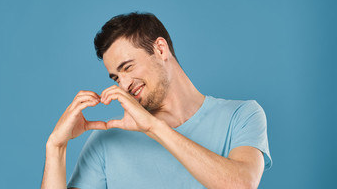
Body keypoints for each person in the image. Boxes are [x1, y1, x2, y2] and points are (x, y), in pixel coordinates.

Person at [41, 12, 272, 189]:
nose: (123, 85)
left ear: (161, 49)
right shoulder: (106, 140)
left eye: (128, 67)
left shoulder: (242, 115)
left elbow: (242, 184)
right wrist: (56, 147)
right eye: (116, 77)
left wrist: (153, 127)